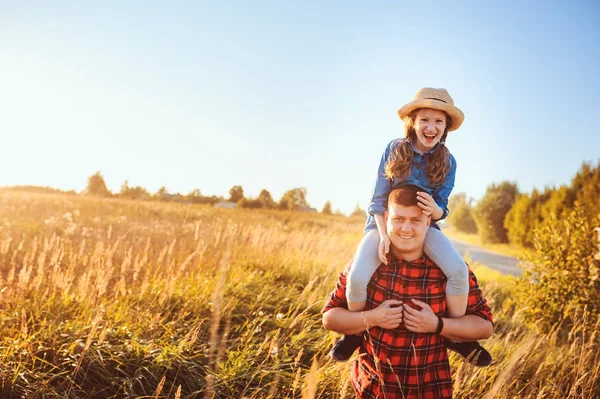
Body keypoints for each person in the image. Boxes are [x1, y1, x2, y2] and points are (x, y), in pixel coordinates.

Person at [331, 87, 485, 363]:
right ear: (412, 122)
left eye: (439, 121)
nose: (431, 126)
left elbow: (442, 208)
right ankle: (354, 333)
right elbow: (377, 201)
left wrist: (436, 209)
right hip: (382, 225)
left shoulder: (448, 161)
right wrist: (383, 236)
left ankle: (455, 335)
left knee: (458, 271)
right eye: (425, 119)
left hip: (425, 229)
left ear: (446, 127)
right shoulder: (394, 149)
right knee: (356, 277)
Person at [322, 185, 494, 399]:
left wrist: (438, 325)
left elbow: (485, 327)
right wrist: (372, 318)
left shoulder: (453, 271)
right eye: (398, 219)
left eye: (415, 220)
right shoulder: (363, 267)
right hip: (371, 390)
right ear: (385, 218)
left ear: (428, 222)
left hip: (431, 391)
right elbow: (329, 319)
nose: (406, 228)